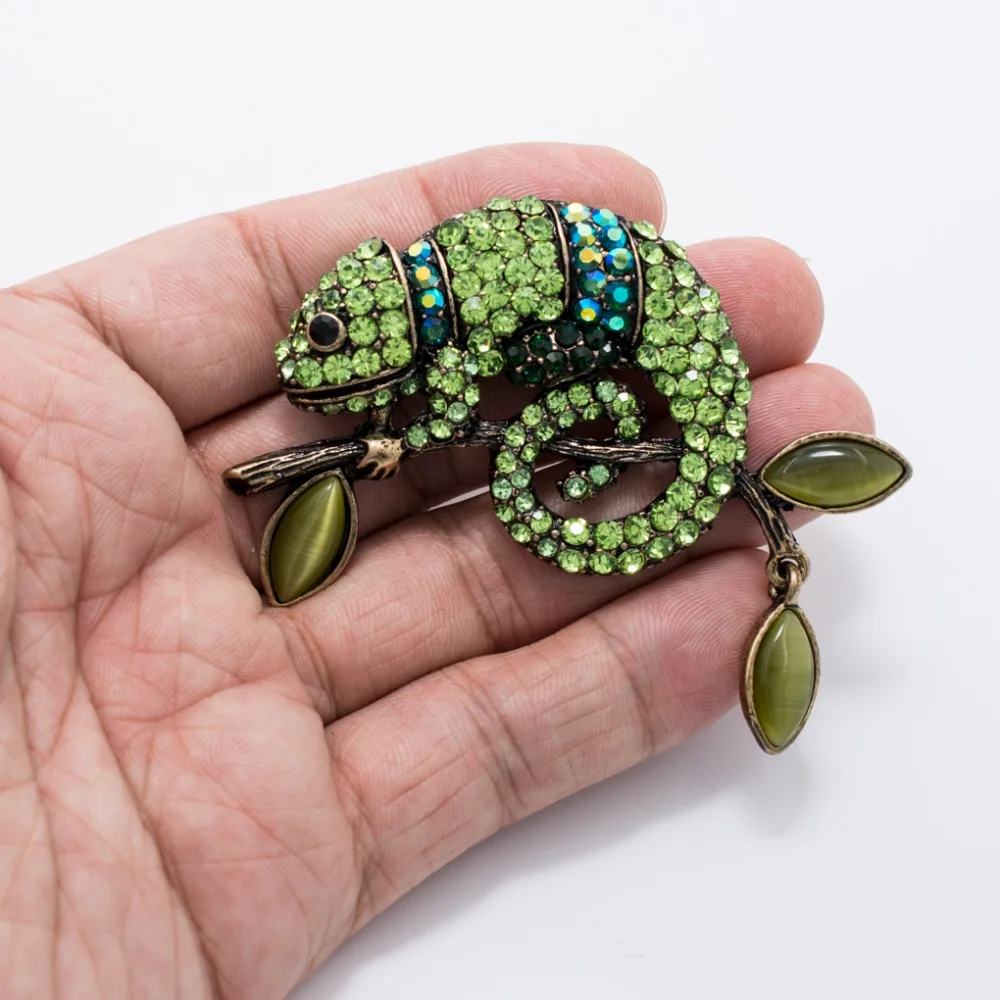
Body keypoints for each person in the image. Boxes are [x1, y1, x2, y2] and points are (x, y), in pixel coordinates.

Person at [0, 143, 870, 999]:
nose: (314, 368)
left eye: (334, 339)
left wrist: (400, 442)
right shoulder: (433, 299)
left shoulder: (447, 338)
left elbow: (446, 422)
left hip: (644, 318)